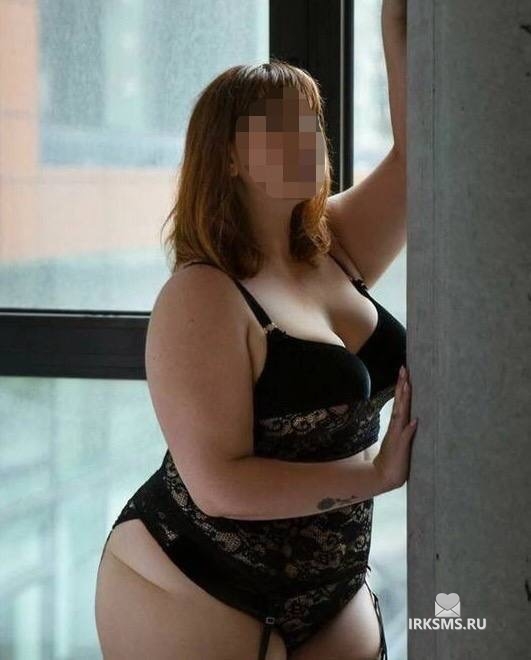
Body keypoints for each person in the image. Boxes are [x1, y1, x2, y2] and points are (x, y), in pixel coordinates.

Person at [95, 58, 415, 660]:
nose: (307, 140)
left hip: (334, 584)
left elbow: (412, 157)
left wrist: (397, 22)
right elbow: (217, 486)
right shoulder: (202, 293)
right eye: (279, 127)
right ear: (228, 157)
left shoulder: (333, 245)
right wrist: (374, 477)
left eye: (311, 124)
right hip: (195, 580)